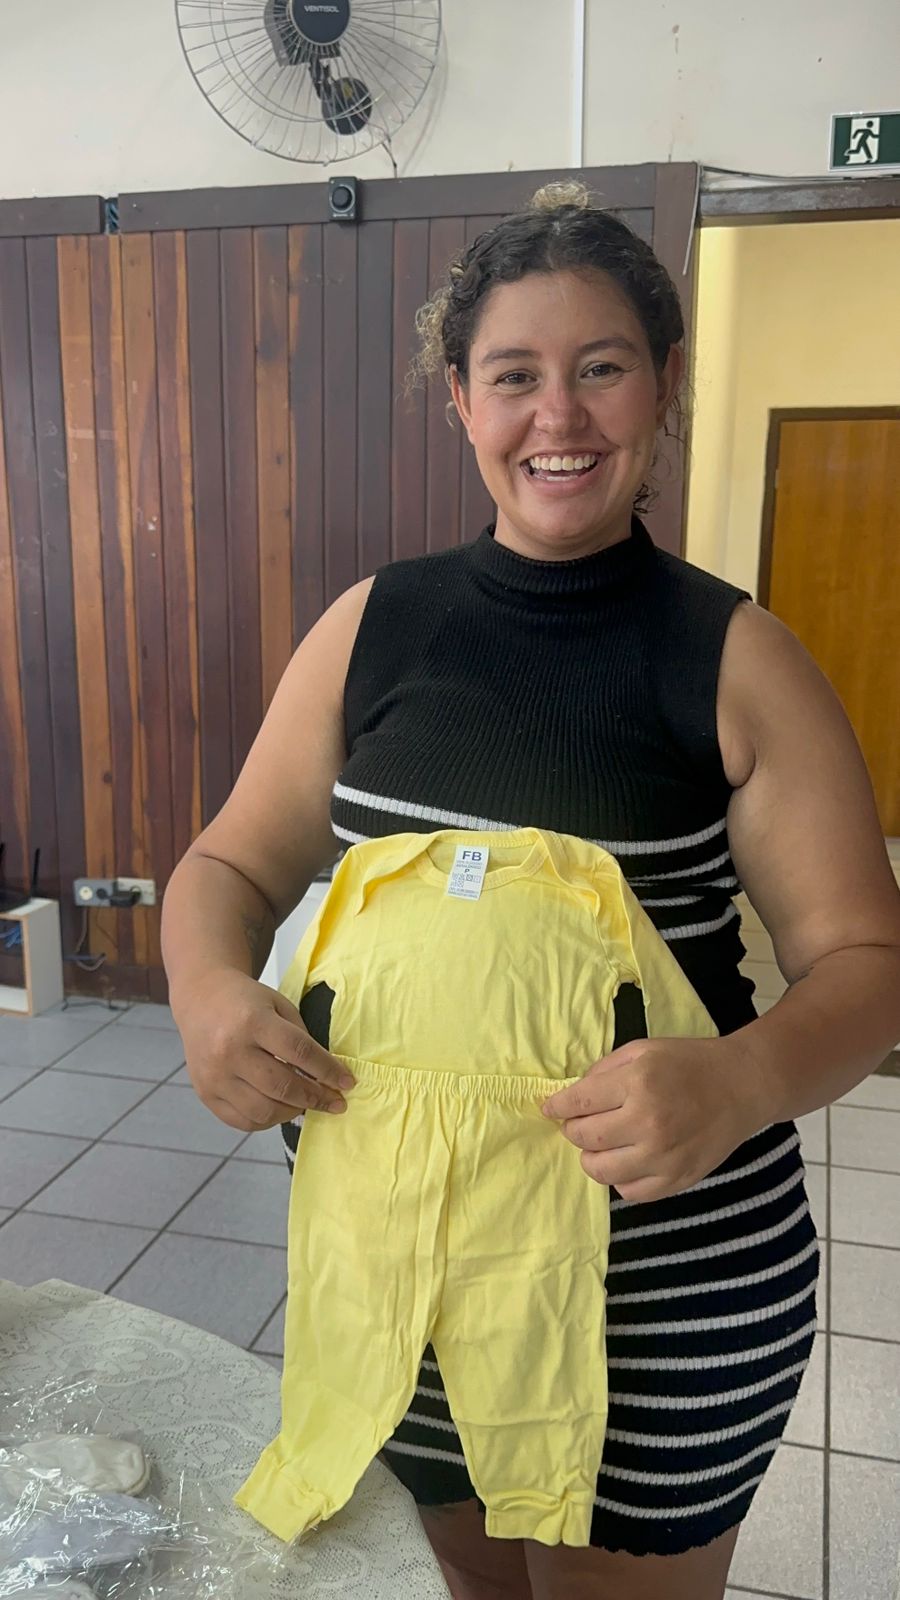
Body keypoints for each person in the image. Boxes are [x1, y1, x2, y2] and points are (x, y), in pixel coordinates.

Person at [161, 182, 900, 1600]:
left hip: (655, 1299)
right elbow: (229, 866)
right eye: (514, 375)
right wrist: (204, 989)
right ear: (461, 400)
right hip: (405, 1278)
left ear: (664, 386)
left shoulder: (735, 658)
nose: (558, 415)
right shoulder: (375, 627)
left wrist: (741, 1079)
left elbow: (871, 963)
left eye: (601, 367)